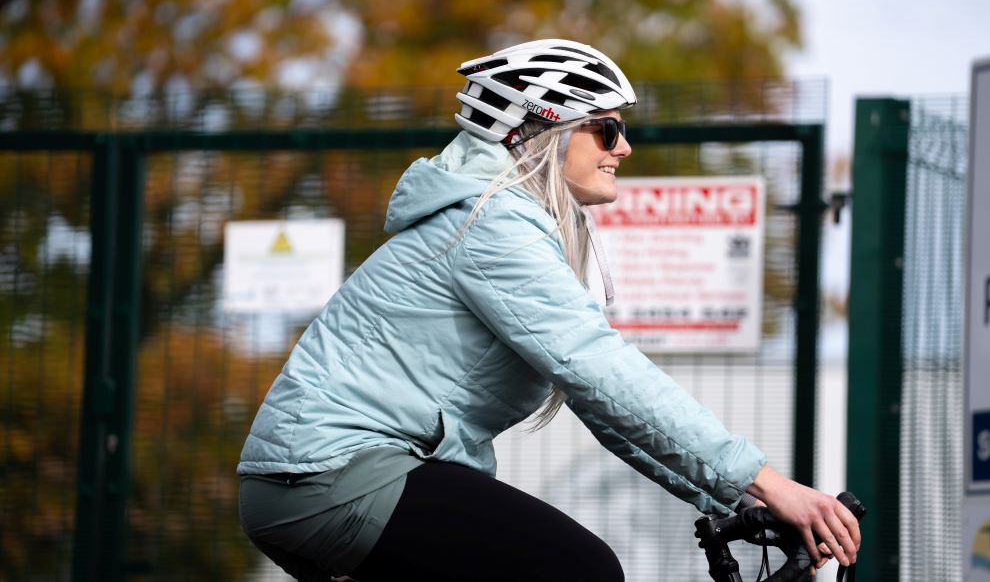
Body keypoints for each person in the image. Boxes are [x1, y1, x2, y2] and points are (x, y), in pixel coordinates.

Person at [237, 39, 860, 581]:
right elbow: (602, 368)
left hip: (323, 477)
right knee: (578, 570)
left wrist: (727, 499)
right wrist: (772, 484)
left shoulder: (503, 220)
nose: (625, 147)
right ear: (547, 130)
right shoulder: (491, 223)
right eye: (608, 128)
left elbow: (602, 405)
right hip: (336, 474)